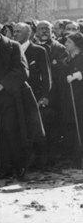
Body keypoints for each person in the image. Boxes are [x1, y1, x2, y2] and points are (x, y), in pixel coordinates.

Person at [0, 18, 44, 180]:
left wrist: (2, 86)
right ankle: (2, 167)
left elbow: (21, 70)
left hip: (13, 97)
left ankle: (19, 166)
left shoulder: (13, 46)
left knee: (13, 132)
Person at [14, 22, 52, 170]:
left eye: (18, 31)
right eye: (14, 31)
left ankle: (41, 161)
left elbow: (47, 76)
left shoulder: (38, 51)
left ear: (27, 34)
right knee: (21, 129)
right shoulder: (12, 50)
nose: (15, 34)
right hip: (18, 96)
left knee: (37, 129)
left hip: (35, 97)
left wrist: (45, 96)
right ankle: (25, 160)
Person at [35, 20, 69, 162]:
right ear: (36, 32)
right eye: (41, 29)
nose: (44, 31)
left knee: (53, 124)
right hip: (37, 92)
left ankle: (52, 156)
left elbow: (60, 71)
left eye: (47, 29)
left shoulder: (59, 49)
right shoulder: (33, 47)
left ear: (52, 31)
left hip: (55, 93)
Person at [59, 33, 83, 161]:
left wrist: (78, 75)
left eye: (69, 42)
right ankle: (72, 154)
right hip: (68, 96)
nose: (66, 44)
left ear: (76, 44)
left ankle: (79, 154)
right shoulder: (66, 58)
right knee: (70, 124)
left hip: (80, 97)